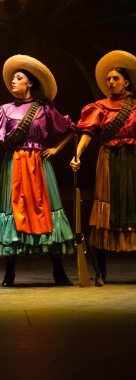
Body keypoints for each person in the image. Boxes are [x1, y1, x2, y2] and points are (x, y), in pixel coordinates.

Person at [0, 55, 75, 286]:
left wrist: (57, 149)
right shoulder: (4, 110)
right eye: (13, 79)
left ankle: (58, 270)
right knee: (13, 209)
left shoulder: (43, 109)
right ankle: (10, 272)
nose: (13, 82)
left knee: (45, 210)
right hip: (15, 164)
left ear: (30, 84)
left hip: (39, 165)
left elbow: (70, 128)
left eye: (19, 78)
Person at [71, 50, 136, 285]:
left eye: (115, 78)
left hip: (132, 160)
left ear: (126, 82)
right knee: (105, 211)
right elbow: (87, 134)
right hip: (109, 160)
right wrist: (77, 154)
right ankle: (100, 272)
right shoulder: (99, 107)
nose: (110, 82)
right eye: (108, 79)